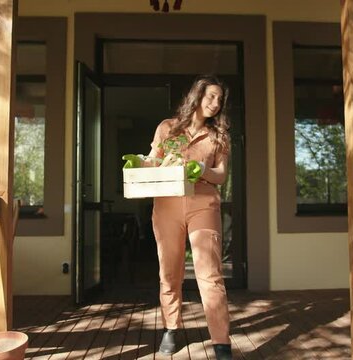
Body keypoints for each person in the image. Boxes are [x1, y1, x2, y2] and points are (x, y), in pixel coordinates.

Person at [128, 75, 233, 359]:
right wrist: (138, 162)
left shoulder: (218, 136)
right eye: (211, 96)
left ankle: (221, 342)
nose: (215, 103)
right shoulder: (168, 128)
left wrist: (203, 170)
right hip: (167, 206)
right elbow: (154, 159)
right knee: (169, 272)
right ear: (197, 96)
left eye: (219, 100)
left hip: (203, 205)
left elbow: (221, 175)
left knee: (209, 274)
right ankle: (171, 329)